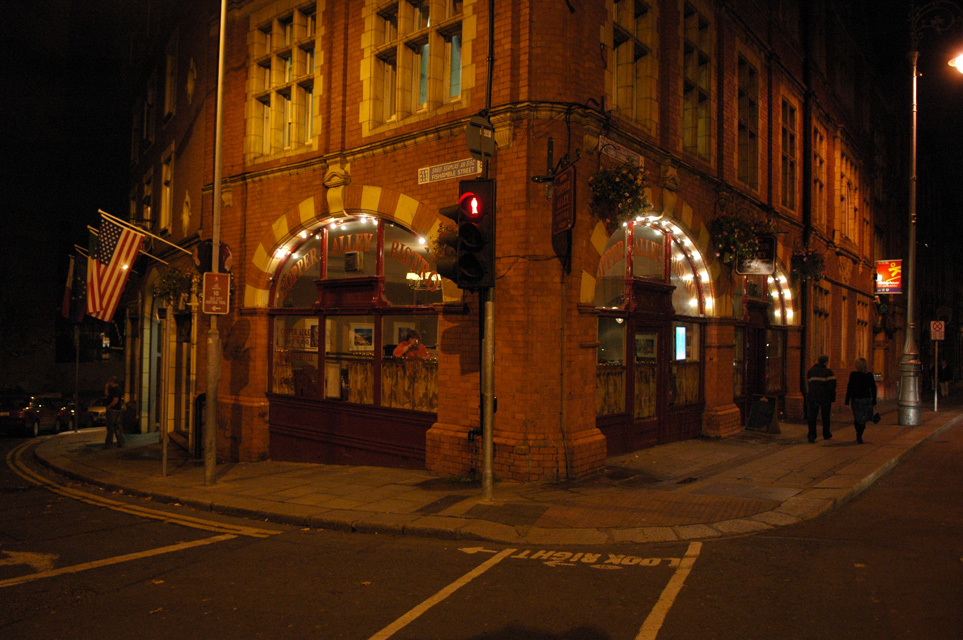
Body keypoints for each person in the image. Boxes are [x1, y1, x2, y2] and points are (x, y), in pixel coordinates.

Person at [844, 357, 877, 444]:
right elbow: (873, 388)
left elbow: (850, 387)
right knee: (864, 417)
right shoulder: (869, 375)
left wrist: (847, 399)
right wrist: (874, 399)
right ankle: (860, 434)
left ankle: (858, 434)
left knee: (857, 417)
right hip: (866, 399)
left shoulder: (853, 375)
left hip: (856, 399)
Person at [806, 355, 836, 443]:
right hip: (825, 397)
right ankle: (826, 434)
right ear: (826, 362)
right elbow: (832, 385)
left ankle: (812, 435)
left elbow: (809, 382)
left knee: (812, 417)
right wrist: (832, 397)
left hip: (813, 396)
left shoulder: (811, 371)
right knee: (825, 416)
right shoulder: (828, 372)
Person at [103, 376, 125, 448]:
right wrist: (106, 388)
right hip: (118, 410)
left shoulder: (116, 390)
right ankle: (121, 442)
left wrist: (109, 406)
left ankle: (109, 444)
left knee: (110, 427)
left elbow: (115, 400)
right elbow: (107, 394)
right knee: (117, 427)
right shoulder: (115, 389)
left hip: (113, 410)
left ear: (112, 382)